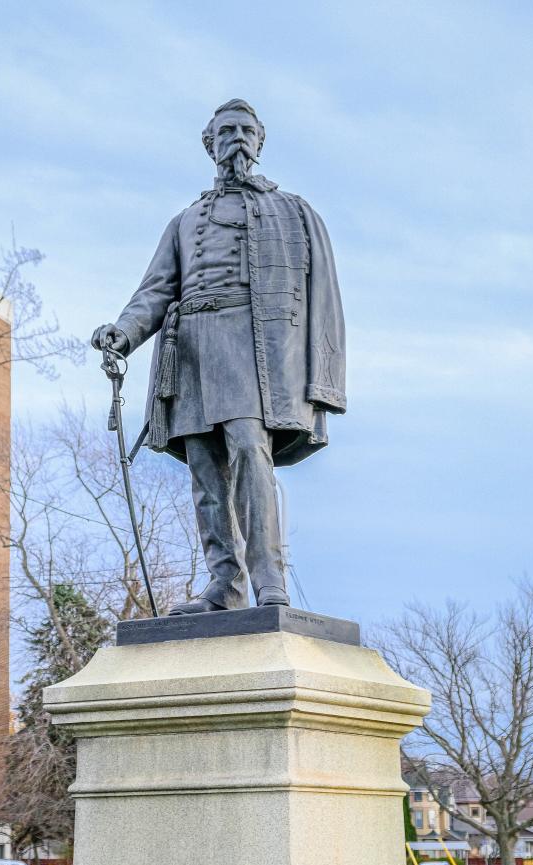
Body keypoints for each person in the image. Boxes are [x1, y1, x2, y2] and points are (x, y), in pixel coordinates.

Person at [92, 99, 346, 614]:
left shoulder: (295, 212)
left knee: (251, 452)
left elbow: (325, 302)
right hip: (189, 353)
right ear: (209, 144)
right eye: (226, 130)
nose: (237, 137)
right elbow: (157, 290)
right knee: (206, 472)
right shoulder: (185, 221)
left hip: (255, 352)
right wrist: (123, 331)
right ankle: (222, 586)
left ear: (260, 141)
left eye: (246, 130)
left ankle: (270, 582)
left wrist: (320, 382)